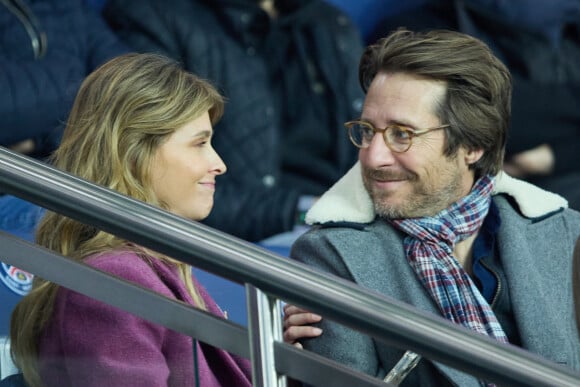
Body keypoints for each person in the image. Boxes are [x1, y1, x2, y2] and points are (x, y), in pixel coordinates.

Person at [284, 29, 580, 386]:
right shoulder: (330, 256)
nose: (374, 157)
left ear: (473, 145)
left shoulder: (564, 233)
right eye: (366, 130)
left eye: (402, 134)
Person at [9, 52, 249, 387]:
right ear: (135, 154)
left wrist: (284, 358)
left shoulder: (154, 268)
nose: (219, 163)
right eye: (200, 144)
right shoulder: (114, 282)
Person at [102, 0, 365, 242]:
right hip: (249, 240)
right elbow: (154, 177)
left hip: (342, 223)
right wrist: (301, 210)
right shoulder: (155, 16)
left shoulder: (330, 23)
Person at [367, 0, 580, 211]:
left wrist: (555, 157)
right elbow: (488, 119)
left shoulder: (566, 29)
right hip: (482, 197)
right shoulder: (416, 30)